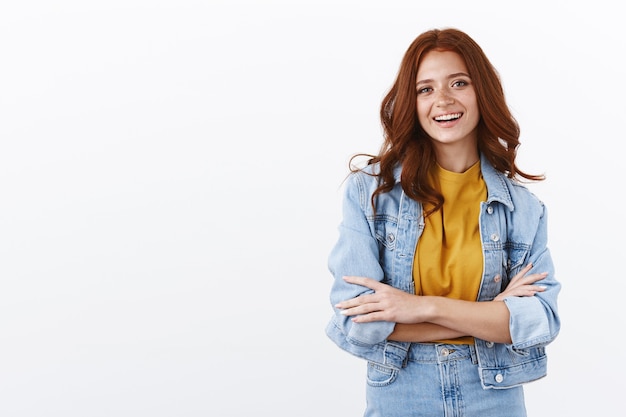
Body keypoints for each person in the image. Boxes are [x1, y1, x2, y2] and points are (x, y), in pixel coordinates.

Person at [325, 28, 561, 417]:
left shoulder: (522, 207)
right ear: (411, 102)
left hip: (493, 397)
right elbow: (359, 323)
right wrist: (489, 314)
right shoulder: (371, 193)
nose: (444, 100)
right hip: (402, 396)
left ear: (481, 92)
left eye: (459, 83)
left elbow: (538, 322)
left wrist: (418, 308)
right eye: (425, 89)